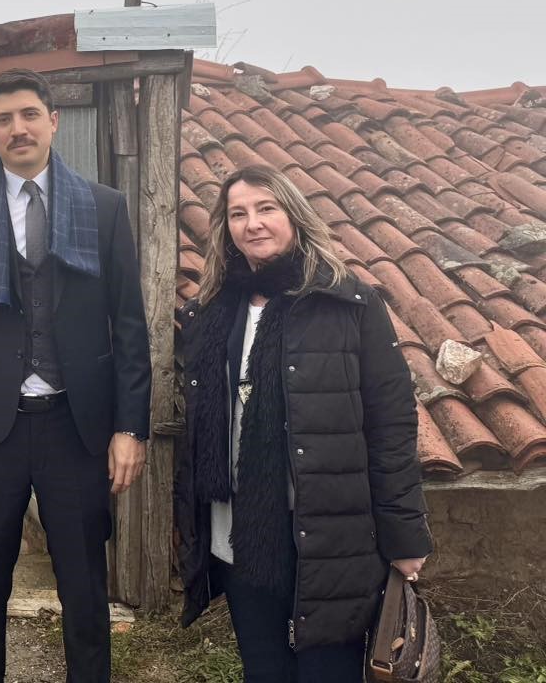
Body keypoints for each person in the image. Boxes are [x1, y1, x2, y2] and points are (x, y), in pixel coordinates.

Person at [0, 68, 151, 683]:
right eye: (3, 119)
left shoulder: (103, 208)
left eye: (29, 114)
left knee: (83, 590)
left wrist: (130, 428)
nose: (17, 128)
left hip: (76, 429)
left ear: (53, 121)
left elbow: (129, 326)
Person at [175, 163, 431, 682]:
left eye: (266, 208)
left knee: (328, 673)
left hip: (331, 537)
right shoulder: (210, 312)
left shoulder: (348, 305)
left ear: (294, 216)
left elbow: (391, 428)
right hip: (241, 534)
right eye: (238, 214)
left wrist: (406, 540)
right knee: (264, 669)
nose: (253, 224)